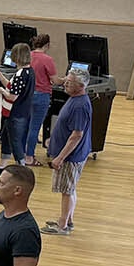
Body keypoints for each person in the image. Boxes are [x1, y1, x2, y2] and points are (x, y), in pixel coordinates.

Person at [43, 71, 92, 236]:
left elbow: (77, 135)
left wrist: (60, 157)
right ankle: (68, 220)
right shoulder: (75, 100)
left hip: (70, 157)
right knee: (70, 188)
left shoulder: (79, 106)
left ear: (80, 86)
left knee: (67, 190)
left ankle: (62, 225)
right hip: (70, 154)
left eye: (69, 82)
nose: (65, 84)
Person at [0, 44, 34, 177]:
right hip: (22, 111)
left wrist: (1, 90)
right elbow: (12, 87)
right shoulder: (29, 72)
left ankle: (22, 168)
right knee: (6, 138)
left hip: (14, 113)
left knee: (15, 141)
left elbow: (12, 95)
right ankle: (2, 166)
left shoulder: (20, 75)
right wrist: (0, 75)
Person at [24, 34, 58, 165]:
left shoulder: (28, 55)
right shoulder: (47, 59)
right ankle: (29, 157)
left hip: (27, 95)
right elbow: (55, 80)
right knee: (34, 128)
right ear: (47, 45)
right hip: (41, 95)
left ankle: (22, 153)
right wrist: (65, 80)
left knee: (26, 125)